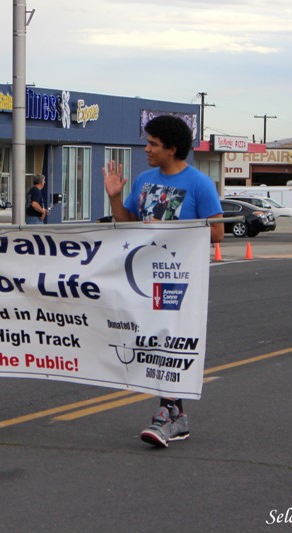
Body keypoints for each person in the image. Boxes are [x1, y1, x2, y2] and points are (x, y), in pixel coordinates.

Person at [102, 114, 223, 448]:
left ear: (172, 148)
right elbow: (128, 224)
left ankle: (165, 416)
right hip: (142, 276)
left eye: (153, 144)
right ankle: (177, 417)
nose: (147, 149)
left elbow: (217, 232)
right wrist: (115, 197)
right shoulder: (143, 181)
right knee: (151, 343)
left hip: (178, 280)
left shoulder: (199, 184)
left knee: (166, 341)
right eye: (148, 142)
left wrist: (170, 229)